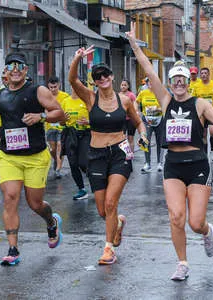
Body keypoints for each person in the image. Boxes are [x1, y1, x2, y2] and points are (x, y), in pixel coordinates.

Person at [126, 22, 213, 280]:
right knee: (176, 217)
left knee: (195, 222)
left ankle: (207, 232)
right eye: (175, 79)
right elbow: (149, 70)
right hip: (173, 164)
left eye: (183, 79)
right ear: (171, 82)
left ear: (188, 82)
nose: (179, 83)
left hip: (197, 165)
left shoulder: (201, 104)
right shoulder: (165, 100)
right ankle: (182, 263)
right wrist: (134, 45)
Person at [0, 52, 65, 265]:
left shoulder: (38, 91)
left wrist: (40, 116)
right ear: (5, 72)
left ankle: (51, 221)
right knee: (10, 198)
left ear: (26, 70)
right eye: (10, 66)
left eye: (19, 65)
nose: (15, 69)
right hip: (8, 157)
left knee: (35, 204)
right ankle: (13, 249)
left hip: (35, 156)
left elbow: (59, 113)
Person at [69, 47, 147, 265]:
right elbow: (73, 79)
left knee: (112, 203)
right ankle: (118, 225)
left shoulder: (125, 100)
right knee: (103, 210)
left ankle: (108, 249)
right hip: (96, 154)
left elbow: (138, 121)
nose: (102, 78)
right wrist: (78, 58)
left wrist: (143, 135)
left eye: (105, 74)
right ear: (94, 81)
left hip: (120, 153)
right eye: (97, 76)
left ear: (112, 77)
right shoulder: (90, 98)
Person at [61, 79, 91, 200]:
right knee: (73, 163)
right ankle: (81, 189)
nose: (77, 88)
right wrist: (63, 119)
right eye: (75, 86)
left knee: (83, 163)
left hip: (85, 134)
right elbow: (61, 121)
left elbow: (97, 118)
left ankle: (97, 182)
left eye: (80, 86)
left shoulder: (87, 100)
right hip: (70, 134)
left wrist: (88, 122)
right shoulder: (65, 101)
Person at [192, 67, 213, 161]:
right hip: (202, 113)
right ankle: (205, 154)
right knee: (203, 134)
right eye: (202, 73)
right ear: (200, 75)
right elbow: (194, 100)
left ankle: (212, 151)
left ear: (209, 74)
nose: (204, 75)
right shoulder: (196, 86)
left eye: (205, 73)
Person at [136, 78, 163, 173]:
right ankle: (147, 163)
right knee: (145, 140)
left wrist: (159, 109)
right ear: (147, 83)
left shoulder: (160, 92)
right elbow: (136, 102)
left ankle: (160, 163)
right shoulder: (143, 92)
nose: (150, 83)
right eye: (148, 82)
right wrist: (137, 111)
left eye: (152, 81)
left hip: (159, 119)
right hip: (147, 120)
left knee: (160, 141)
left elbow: (166, 104)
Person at [46, 76, 70, 178]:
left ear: (59, 85)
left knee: (60, 146)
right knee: (52, 149)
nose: (53, 89)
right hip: (50, 126)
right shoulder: (45, 96)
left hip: (61, 126)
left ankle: (58, 169)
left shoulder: (65, 96)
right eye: (51, 87)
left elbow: (67, 109)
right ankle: (56, 160)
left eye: (55, 87)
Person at [119, 78, 137, 152]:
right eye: (122, 85)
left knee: (130, 138)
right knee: (121, 138)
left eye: (125, 85)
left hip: (131, 120)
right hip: (121, 120)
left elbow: (135, 104)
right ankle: (123, 154)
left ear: (128, 86)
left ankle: (131, 154)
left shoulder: (131, 95)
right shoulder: (118, 95)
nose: (123, 86)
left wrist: (135, 111)